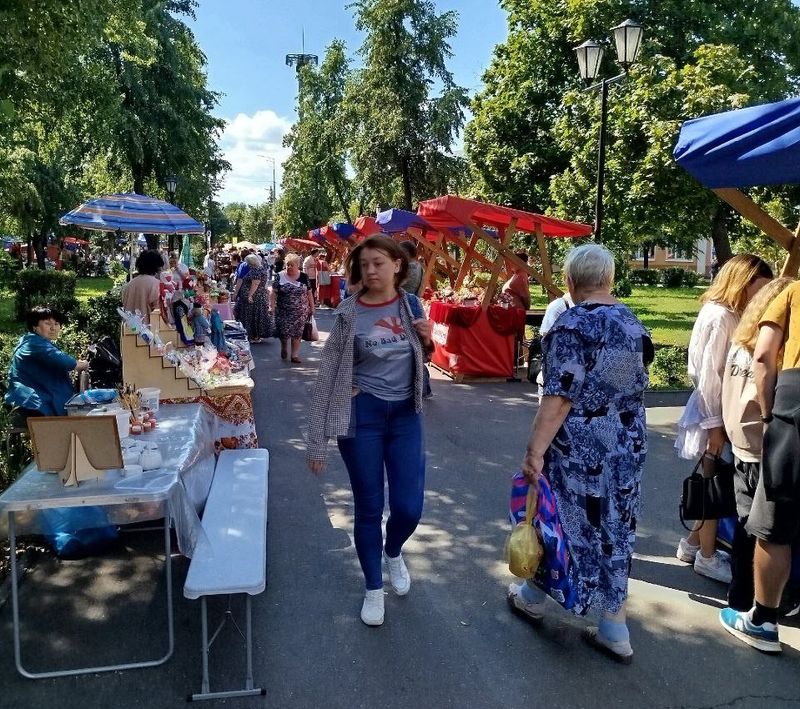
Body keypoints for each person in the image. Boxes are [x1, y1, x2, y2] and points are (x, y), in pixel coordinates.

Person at [509, 244, 652, 663]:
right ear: (608, 279)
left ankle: (533, 598)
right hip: (625, 447)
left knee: (558, 520)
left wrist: (534, 452)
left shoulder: (572, 325)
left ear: (570, 282)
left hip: (580, 451)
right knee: (615, 528)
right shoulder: (632, 323)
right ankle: (614, 628)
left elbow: (559, 398)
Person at [306, 235, 433, 627]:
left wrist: (428, 341)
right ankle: (373, 588)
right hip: (363, 416)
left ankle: (392, 551)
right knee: (369, 507)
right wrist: (317, 442)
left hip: (406, 417)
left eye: (378, 263)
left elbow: (422, 359)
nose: (371, 271)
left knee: (409, 507)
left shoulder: (411, 305)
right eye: (364, 265)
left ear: (398, 265)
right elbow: (327, 376)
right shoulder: (349, 312)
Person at [675, 255, 773, 583]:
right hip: (715, 412)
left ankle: (693, 545)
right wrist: (715, 427)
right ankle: (706, 556)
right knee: (714, 487)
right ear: (741, 282)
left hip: (715, 411)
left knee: (712, 484)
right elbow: (710, 376)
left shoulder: (721, 311)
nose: (761, 296)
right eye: (759, 288)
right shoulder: (722, 316)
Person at [720, 276, 800, 652]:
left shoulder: (793, 293)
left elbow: (764, 355)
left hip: (791, 409)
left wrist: (769, 416)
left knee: (774, 520)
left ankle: (763, 620)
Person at [5, 306, 89, 419]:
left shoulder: (37, 342)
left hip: (35, 401)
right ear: (34, 326)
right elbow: (65, 362)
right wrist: (84, 364)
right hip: (31, 405)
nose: (53, 328)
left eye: (56, 324)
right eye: (47, 323)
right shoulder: (33, 344)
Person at [271, 253, 314, 363]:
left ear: (297, 265)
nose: (289, 267)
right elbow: (274, 293)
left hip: (301, 311)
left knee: (297, 333)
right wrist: (272, 306)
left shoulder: (304, 276)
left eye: (292, 265)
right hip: (283, 310)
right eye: (287, 265)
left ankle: (294, 355)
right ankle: (284, 347)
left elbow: (309, 293)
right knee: (283, 332)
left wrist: (312, 307)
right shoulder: (279, 276)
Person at [236, 253, 272, 344]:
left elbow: (255, 283)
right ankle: (255, 335)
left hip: (255, 297)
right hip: (259, 295)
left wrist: (250, 295)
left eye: (248, 263)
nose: (247, 264)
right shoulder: (260, 269)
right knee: (256, 316)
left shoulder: (256, 270)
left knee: (252, 316)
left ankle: (254, 336)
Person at [121, 250, 163, 323]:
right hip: (148, 327)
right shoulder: (156, 284)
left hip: (129, 327)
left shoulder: (129, 285)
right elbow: (158, 311)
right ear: (156, 267)